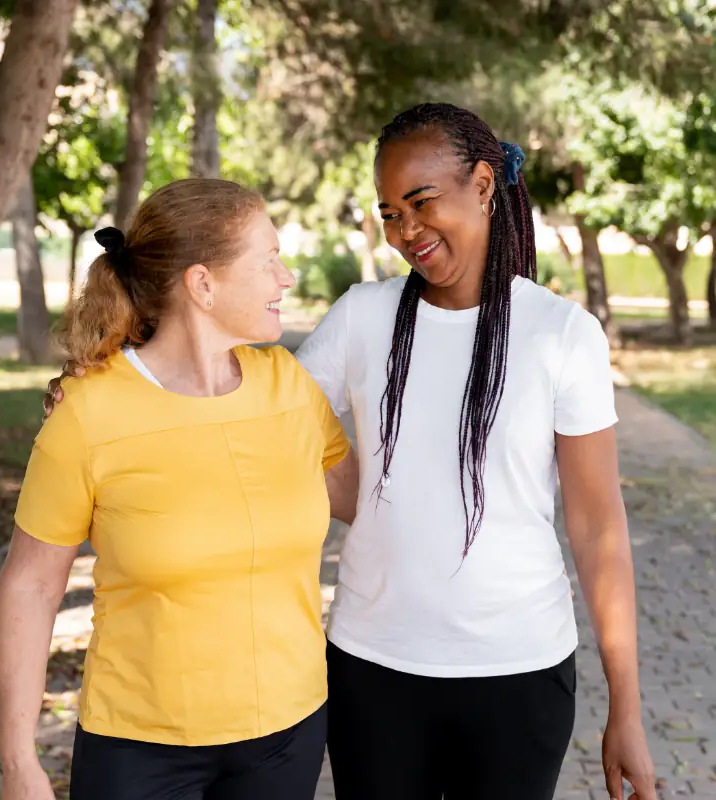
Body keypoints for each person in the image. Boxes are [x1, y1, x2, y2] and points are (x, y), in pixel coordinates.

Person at [46, 104, 656, 800]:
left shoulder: (561, 335)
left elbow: (599, 529)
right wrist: (111, 379)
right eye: (391, 212)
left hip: (521, 673)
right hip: (373, 670)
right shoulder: (364, 317)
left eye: (420, 203)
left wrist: (626, 709)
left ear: (484, 187)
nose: (406, 231)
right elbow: (241, 406)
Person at [0, 178, 358, 800]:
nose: (286, 277)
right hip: (141, 747)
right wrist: (19, 763)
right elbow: (30, 585)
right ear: (203, 284)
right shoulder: (89, 412)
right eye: (268, 260)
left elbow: (368, 502)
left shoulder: (289, 388)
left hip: (288, 734)